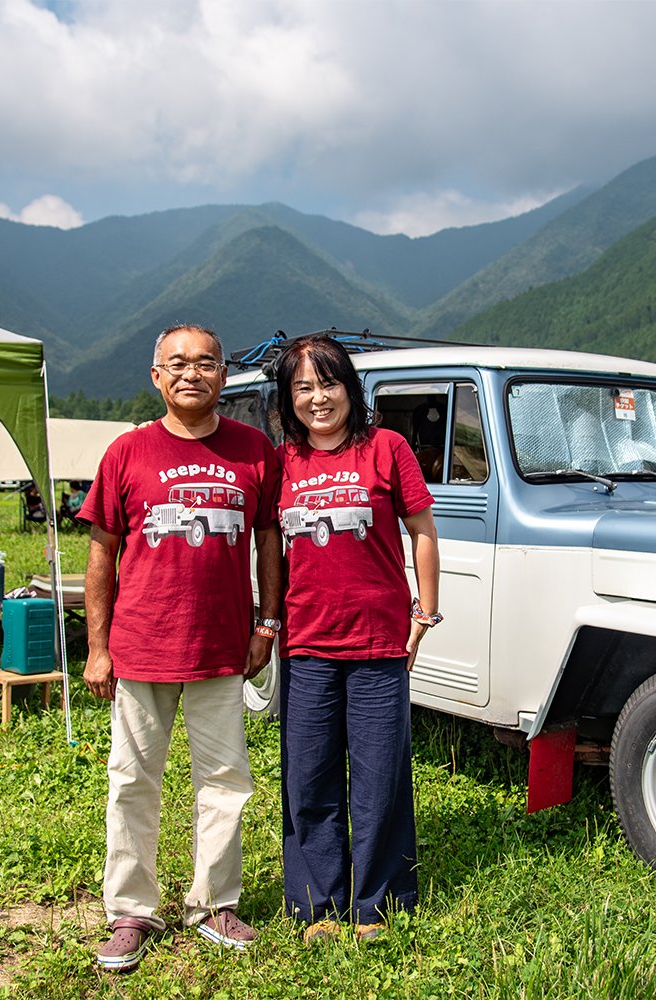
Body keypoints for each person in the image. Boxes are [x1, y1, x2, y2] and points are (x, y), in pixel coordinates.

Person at [79, 324, 283, 973]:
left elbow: (271, 543)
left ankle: (213, 902)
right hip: (140, 646)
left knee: (225, 782)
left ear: (225, 375)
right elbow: (101, 556)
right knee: (132, 782)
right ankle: (131, 910)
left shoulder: (255, 450)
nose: (191, 373)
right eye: (177, 363)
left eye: (205, 363)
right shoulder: (126, 453)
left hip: (224, 649)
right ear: (156, 376)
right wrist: (96, 648)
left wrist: (266, 625)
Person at [272, 334, 441, 945]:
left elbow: (422, 531)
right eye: (303, 388)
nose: (318, 398)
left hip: (377, 644)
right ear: (288, 399)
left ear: (350, 387)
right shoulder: (281, 463)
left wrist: (424, 615)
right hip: (307, 645)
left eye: (329, 383)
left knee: (380, 778)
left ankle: (378, 904)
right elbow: (268, 550)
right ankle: (318, 905)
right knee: (310, 778)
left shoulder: (386, 448)